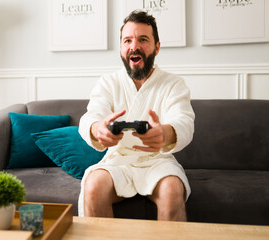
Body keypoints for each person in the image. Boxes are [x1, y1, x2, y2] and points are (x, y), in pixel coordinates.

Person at [78, 10, 195, 221]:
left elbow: (184, 122)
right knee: (93, 185)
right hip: (117, 161)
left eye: (143, 39)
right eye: (127, 40)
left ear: (156, 47)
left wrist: (165, 134)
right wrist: (99, 129)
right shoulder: (108, 83)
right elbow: (90, 117)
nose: (134, 46)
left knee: (172, 190)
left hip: (158, 161)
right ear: (122, 48)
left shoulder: (174, 84)